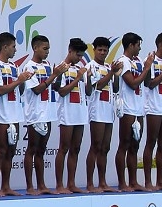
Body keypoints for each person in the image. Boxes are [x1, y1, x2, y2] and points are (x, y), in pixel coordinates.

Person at [0, 31, 32, 197]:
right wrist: (19, 80)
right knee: (1, 150)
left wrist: (23, 81)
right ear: (4, 47)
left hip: (15, 113)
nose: (15, 50)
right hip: (1, 115)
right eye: (13, 46)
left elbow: (18, 89)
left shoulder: (14, 66)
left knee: (11, 151)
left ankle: (6, 186)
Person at [20, 35, 64, 196]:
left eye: (48, 49)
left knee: (41, 150)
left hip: (48, 112)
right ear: (35, 48)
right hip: (35, 114)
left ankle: (42, 184)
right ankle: (30, 186)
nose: (47, 52)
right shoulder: (29, 67)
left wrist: (58, 75)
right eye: (45, 49)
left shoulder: (47, 65)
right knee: (31, 149)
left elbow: (55, 86)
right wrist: (53, 75)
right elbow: (37, 89)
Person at [84, 36, 123, 194]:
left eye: (105, 50)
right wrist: (111, 74)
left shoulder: (108, 67)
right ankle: (89, 183)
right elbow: (97, 86)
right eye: (99, 50)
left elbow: (114, 88)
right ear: (94, 50)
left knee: (105, 148)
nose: (102, 52)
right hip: (96, 110)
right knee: (95, 146)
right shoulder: (90, 67)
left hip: (108, 110)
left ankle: (102, 182)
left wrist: (116, 75)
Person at [51, 38, 89, 195]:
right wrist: (78, 78)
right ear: (70, 51)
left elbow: (87, 92)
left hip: (80, 112)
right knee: (64, 148)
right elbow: (61, 91)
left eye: (81, 56)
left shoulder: (81, 68)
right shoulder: (62, 67)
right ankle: (60, 184)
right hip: (67, 113)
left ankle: (71, 183)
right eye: (77, 55)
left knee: (76, 148)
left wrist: (88, 79)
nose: (79, 58)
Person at [115, 32, 148, 192]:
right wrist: (147, 68)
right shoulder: (123, 62)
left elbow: (145, 82)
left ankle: (133, 181)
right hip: (127, 108)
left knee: (135, 146)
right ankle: (122, 182)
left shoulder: (139, 61)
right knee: (124, 144)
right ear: (130, 45)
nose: (140, 48)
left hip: (139, 108)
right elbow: (133, 83)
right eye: (138, 45)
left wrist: (147, 67)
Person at [142, 32, 162, 190]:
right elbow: (150, 84)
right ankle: (148, 181)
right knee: (151, 143)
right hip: (154, 107)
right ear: (160, 45)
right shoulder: (150, 60)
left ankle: (161, 181)